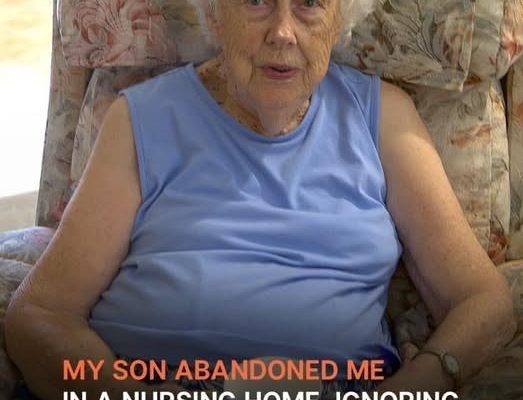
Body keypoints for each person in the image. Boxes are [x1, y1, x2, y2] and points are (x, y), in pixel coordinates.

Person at [5, 0, 517, 399]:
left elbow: (483, 301)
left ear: (339, 19)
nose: (283, 32)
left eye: (309, 4)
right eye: (256, 1)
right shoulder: (141, 119)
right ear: (214, 14)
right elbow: (41, 314)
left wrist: (416, 386)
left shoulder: (381, 117)